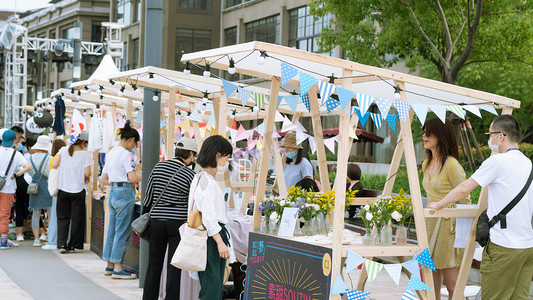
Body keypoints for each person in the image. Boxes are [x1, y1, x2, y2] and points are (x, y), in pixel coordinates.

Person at [429, 114, 533, 300]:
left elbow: (464, 188)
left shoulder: (497, 161)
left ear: (500, 136)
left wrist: (439, 203)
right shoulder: (528, 163)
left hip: (504, 246)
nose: (489, 138)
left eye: (490, 134)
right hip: (527, 246)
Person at [142, 138, 197, 300]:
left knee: (154, 264)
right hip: (178, 225)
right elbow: (192, 203)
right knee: (174, 266)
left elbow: (148, 197)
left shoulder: (158, 167)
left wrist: (148, 216)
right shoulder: (190, 174)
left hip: (157, 222)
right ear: (191, 154)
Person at [421, 117, 469, 299]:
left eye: (428, 132)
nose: (424, 136)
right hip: (430, 224)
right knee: (431, 285)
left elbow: (465, 197)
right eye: (423, 132)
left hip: (449, 229)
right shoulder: (426, 164)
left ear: (440, 135)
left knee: (453, 286)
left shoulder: (452, 165)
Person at [189, 135, 232, 299]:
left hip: (209, 236)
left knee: (211, 285)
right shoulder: (206, 181)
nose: (226, 162)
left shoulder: (200, 178)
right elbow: (208, 215)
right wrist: (220, 242)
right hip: (212, 237)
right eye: (226, 157)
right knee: (212, 288)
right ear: (218, 156)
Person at [99, 122, 141, 279]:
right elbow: (133, 177)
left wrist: (117, 183)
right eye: (135, 143)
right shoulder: (126, 154)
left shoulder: (111, 152)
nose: (134, 147)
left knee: (112, 230)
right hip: (124, 193)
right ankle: (118, 268)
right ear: (131, 140)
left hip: (113, 193)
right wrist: (144, 173)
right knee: (122, 231)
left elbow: (103, 179)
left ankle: (109, 265)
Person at [52, 132, 93, 253]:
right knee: (77, 219)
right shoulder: (86, 155)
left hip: (63, 189)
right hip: (78, 190)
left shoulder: (64, 150)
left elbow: (54, 164)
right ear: (84, 142)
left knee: (62, 218)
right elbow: (87, 174)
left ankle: (62, 244)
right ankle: (72, 245)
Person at [0, 130, 30, 249]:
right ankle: (3, 241)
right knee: (4, 215)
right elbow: (27, 167)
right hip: (7, 188)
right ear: (14, 141)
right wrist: (16, 175)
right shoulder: (16, 154)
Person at [27, 136, 53, 247]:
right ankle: (51, 237)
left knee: (35, 213)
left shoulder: (30, 158)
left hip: (34, 187)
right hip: (47, 185)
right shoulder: (50, 158)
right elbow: (52, 173)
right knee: (51, 212)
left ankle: (36, 239)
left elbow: (28, 172)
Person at [42, 138, 67, 250]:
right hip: (67, 189)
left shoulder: (54, 159)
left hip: (57, 190)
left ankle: (52, 241)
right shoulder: (67, 158)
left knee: (55, 216)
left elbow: (52, 174)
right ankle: (63, 241)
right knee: (65, 217)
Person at [14, 137, 36, 241]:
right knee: (34, 208)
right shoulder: (28, 156)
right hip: (29, 184)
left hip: (19, 183)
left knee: (19, 207)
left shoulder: (20, 155)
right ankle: (41, 233)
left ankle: (19, 234)